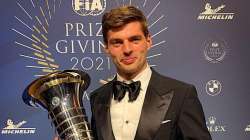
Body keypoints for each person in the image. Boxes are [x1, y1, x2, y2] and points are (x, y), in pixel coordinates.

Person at [90, 5, 212, 140]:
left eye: (134, 40)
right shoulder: (97, 98)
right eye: (117, 43)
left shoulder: (182, 94)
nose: (127, 49)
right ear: (106, 48)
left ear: (148, 41)